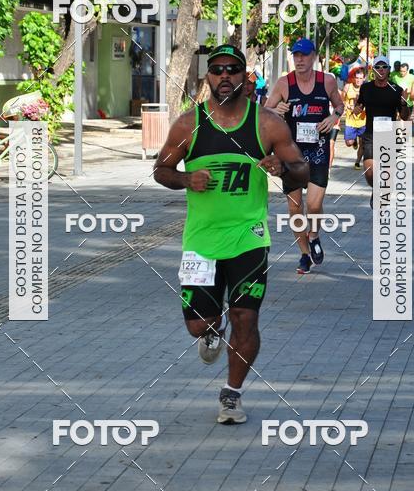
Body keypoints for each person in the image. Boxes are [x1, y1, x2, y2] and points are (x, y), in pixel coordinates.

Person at [153, 44, 308, 424]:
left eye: (232, 70)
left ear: (245, 77)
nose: (225, 76)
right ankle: (210, 331)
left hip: (248, 238)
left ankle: (232, 395)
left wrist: (281, 171)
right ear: (208, 77)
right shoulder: (190, 124)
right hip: (202, 242)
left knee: (245, 319)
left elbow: (302, 171)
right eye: (217, 70)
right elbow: (161, 170)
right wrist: (186, 178)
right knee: (198, 325)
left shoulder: (267, 123)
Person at [265, 37, 344, 274]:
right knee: (294, 208)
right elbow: (265, 109)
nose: (299, 60)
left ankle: (315, 235)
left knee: (314, 204)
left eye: (304, 55)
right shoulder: (284, 83)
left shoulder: (327, 81)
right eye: (296, 55)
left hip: (318, 151)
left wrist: (334, 117)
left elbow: (339, 106)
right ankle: (304, 254)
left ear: (313, 58)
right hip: (291, 153)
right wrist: (274, 109)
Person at [351, 55, 410, 205]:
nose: (381, 70)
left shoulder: (396, 90)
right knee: (370, 173)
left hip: (389, 136)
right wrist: (357, 109)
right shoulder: (366, 88)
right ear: (373, 70)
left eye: (384, 67)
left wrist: (404, 104)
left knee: (386, 174)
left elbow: (404, 117)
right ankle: (376, 189)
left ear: (389, 70)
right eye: (378, 67)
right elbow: (359, 106)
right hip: (370, 135)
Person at [342, 66, 367, 168]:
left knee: (363, 143)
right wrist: (346, 105)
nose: (358, 80)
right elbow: (342, 100)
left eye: (361, 78)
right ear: (354, 77)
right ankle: (353, 141)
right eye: (357, 78)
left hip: (363, 120)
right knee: (349, 143)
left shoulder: (367, 89)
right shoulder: (348, 87)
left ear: (364, 78)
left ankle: (357, 162)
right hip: (350, 120)